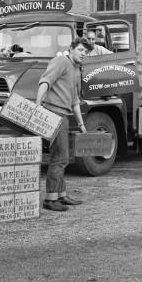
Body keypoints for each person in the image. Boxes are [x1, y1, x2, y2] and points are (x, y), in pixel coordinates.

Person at [36, 37, 92, 211]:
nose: (84, 54)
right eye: (81, 50)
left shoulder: (76, 69)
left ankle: (61, 195)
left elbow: (75, 101)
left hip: (64, 116)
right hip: (53, 113)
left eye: (86, 52)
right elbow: (45, 81)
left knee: (63, 157)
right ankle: (50, 199)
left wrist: (82, 125)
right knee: (60, 158)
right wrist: (37, 106)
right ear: (72, 48)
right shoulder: (61, 61)